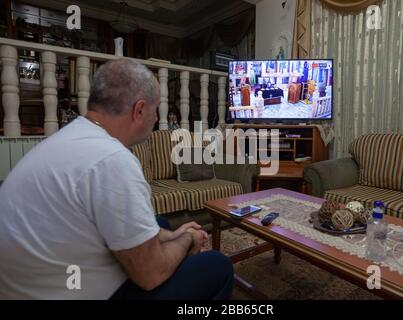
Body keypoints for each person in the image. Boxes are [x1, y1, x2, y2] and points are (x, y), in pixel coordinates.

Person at [0, 59, 233, 300]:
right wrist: (187, 238)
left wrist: (173, 236)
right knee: (218, 266)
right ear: (139, 110)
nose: (156, 120)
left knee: (160, 223)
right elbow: (151, 275)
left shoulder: (68, 136)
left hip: (32, 282)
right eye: (154, 111)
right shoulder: (112, 160)